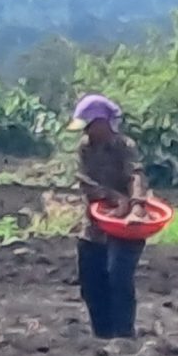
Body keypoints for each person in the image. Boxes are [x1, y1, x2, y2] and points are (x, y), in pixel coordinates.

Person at [71, 93, 151, 340]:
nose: (86, 131)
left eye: (89, 125)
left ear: (103, 123)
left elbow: (135, 175)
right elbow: (84, 181)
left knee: (118, 278)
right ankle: (102, 336)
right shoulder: (84, 148)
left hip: (128, 225)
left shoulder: (124, 147)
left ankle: (124, 336)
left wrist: (136, 207)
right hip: (95, 223)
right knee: (91, 283)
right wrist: (112, 197)